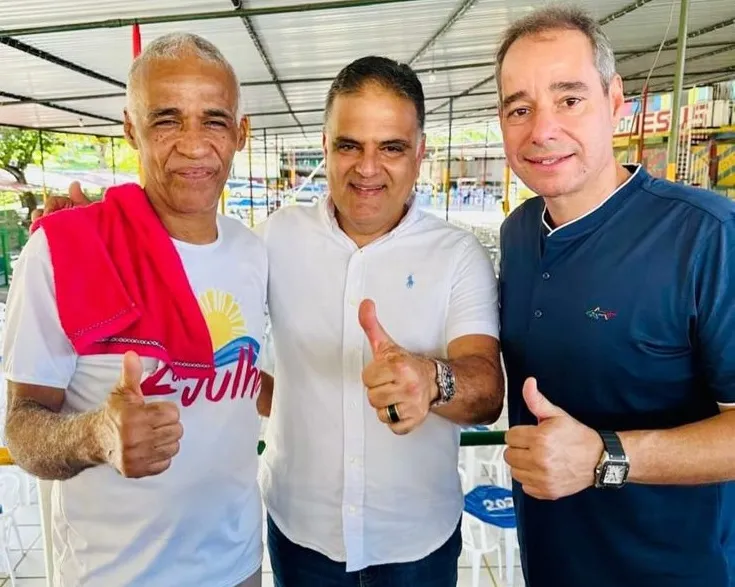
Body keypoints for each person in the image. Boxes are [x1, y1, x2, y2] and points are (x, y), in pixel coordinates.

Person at [36, 56, 505, 586]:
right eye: (349, 145)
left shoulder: (458, 253)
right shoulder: (270, 240)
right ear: (325, 146)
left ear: (420, 154)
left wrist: (432, 380)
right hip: (301, 534)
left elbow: (487, 391)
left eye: (391, 147)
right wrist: (98, 236)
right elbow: (194, 306)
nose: (368, 168)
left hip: (416, 539)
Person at [3, 33, 267, 587]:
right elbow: (22, 430)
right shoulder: (64, 253)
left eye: (214, 120)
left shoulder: (253, 253)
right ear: (130, 128)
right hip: (113, 576)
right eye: (167, 120)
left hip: (239, 564)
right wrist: (97, 434)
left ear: (240, 133)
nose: (194, 146)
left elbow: (242, 382)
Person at [497, 6, 735, 587]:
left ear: (614, 99)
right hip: (550, 563)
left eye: (569, 98)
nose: (542, 129)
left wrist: (606, 457)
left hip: (673, 570)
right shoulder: (520, 232)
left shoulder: (706, 234)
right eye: (519, 108)